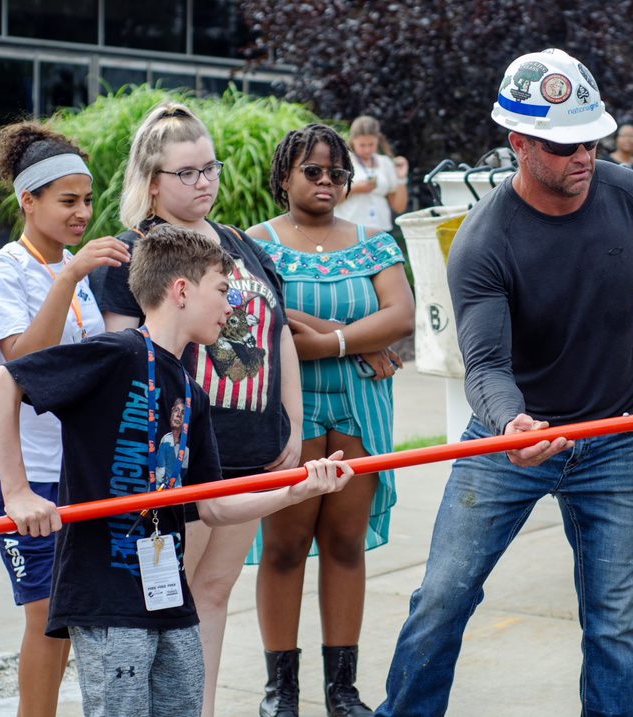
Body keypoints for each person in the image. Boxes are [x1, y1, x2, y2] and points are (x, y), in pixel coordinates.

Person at [376, 48, 633, 717]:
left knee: (612, 620)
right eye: (562, 145)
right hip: (512, 437)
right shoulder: (482, 242)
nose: (583, 155)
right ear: (518, 143)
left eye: (590, 138)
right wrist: (508, 426)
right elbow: (487, 366)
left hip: (614, 434)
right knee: (441, 598)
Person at [0, 224, 354, 717]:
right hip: (106, 596)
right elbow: (0, 382)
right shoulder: (114, 354)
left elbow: (214, 504)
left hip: (167, 597)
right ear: (181, 290)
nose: (232, 308)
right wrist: (18, 492)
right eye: (222, 291)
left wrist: (296, 491)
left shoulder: (190, 390)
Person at [89, 102, 303, 717]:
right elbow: (127, 357)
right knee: (166, 596)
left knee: (214, 590)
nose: (204, 181)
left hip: (255, 447)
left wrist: (290, 420)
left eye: (209, 168)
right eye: (187, 172)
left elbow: (278, 331)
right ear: (151, 182)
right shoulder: (134, 255)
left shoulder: (239, 242)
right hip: (178, 458)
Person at [246, 123, 414, 717]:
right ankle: (280, 691)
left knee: (346, 544)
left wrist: (329, 342)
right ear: (284, 177)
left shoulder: (375, 241)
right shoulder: (253, 244)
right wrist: (347, 339)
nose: (325, 181)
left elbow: (401, 315)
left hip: (361, 405)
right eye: (311, 171)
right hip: (290, 409)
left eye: (336, 172)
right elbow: (255, 311)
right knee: (285, 547)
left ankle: (343, 690)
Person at [0, 121, 130, 717]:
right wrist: (69, 275)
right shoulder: (1, 272)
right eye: (68, 201)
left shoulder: (79, 276)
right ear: (27, 200)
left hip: (77, 470)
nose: (82, 213)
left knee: (69, 615)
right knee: (47, 614)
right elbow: (20, 367)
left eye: (87, 200)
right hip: (22, 476)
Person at [335, 116, 409, 234]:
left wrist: (401, 178)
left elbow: (399, 207)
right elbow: (330, 201)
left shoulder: (385, 162)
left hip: (380, 231)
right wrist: (355, 189)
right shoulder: (342, 162)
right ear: (353, 141)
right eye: (362, 145)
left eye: (371, 144)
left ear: (378, 140)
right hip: (350, 231)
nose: (367, 150)